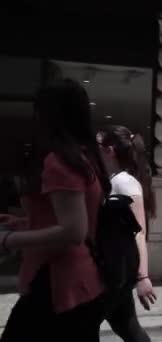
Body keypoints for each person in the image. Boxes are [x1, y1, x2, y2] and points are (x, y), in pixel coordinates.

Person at [0, 79, 108, 341]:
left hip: (58, 282)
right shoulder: (85, 157)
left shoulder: (59, 160)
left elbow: (73, 231)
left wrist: (7, 240)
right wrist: (25, 222)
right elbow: (71, 219)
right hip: (81, 280)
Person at [97, 125, 157, 342]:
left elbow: (139, 233)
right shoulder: (116, 180)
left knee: (82, 327)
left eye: (99, 147)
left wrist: (143, 277)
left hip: (116, 272)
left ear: (110, 150)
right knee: (129, 328)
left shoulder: (124, 182)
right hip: (115, 269)